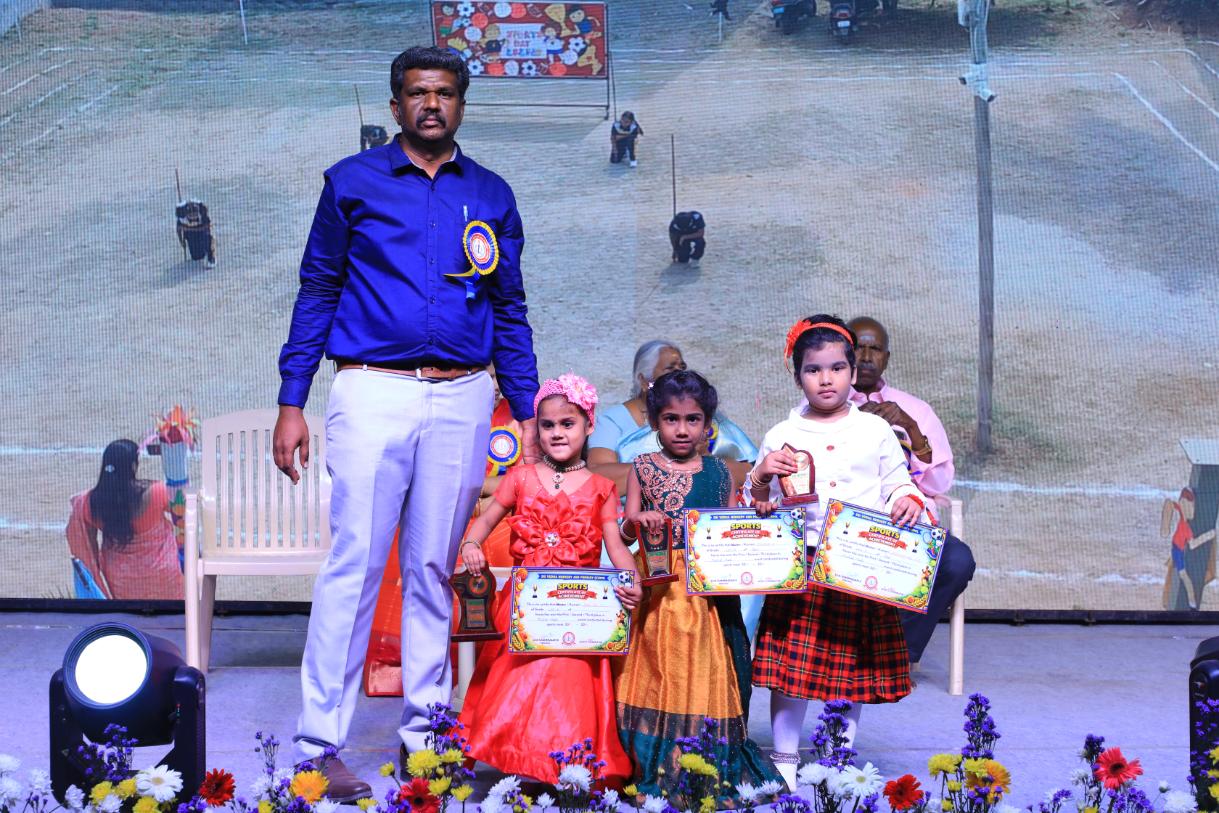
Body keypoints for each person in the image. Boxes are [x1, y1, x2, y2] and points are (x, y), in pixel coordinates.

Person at [273, 45, 539, 801]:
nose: (431, 104)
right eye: (418, 93)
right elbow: (317, 289)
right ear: (396, 106)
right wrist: (293, 398)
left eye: (445, 93)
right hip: (371, 390)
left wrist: (525, 410)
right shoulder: (351, 182)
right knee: (354, 565)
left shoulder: (491, 193)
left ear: (461, 105)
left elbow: (510, 308)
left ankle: (426, 738)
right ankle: (318, 744)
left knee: (431, 570)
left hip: (464, 396)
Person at [747, 315, 926, 789]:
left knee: (851, 667)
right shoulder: (781, 434)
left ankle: (837, 756)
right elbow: (757, 505)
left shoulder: (875, 430)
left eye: (836, 368)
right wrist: (761, 477)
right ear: (797, 376)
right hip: (802, 566)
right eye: (813, 369)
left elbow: (897, 483)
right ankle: (785, 758)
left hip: (857, 566)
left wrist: (907, 499)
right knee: (793, 670)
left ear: (852, 372)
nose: (826, 379)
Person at [457, 375, 640, 785]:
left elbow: (616, 545)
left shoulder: (602, 487)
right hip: (527, 604)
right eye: (548, 425)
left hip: (577, 607)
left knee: (568, 680)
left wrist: (632, 579)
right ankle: (520, 757)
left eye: (567, 423)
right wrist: (470, 544)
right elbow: (486, 519)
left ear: (589, 425)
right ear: (536, 429)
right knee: (516, 677)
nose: (557, 433)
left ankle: (565, 764)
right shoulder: (521, 478)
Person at [614, 370, 780, 796]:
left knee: (707, 665)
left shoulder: (721, 470)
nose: (682, 429)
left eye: (693, 419)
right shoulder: (642, 467)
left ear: (708, 423)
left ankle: (704, 756)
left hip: (707, 590)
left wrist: (758, 515)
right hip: (658, 588)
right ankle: (655, 760)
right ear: (655, 421)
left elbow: (729, 526)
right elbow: (625, 531)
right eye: (671, 419)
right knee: (660, 666)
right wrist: (638, 520)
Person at [846, 316, 976, 664]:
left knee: (957, 561)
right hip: (850, 525)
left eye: (875, 349)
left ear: (887, 358)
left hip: (909, 524)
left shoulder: (916, 409)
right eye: (858, 348)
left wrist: (912, 429)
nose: (866, 357)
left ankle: (896, 655)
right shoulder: (830, 406)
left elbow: (939, 485)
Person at [588, 340, 757, 496]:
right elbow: (598, 476)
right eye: (670, 369)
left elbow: (750, 473)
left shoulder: (708, 418)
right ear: (644, 381)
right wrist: (671, 466)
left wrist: (704, 458)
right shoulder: (612, 420)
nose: (679, 374)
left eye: (682, 368)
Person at [65, 440, 184, 600]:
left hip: (122, 580)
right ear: (133, 466)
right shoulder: (157, 492)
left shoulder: (89, 503)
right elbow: (182, 509)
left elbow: (89, 550)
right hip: (164, 572)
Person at [175, 199, 216, 268]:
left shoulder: (203, 212)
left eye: (195, 216)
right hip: (190, 232)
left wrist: (210, 240)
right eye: (191, 216)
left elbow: (208, 228)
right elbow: (178, 229)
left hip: (201, 229)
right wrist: (181, 241)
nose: (193, 218)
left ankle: (211, 257)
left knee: (206, 238)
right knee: (197, 257)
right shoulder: (181, 214)